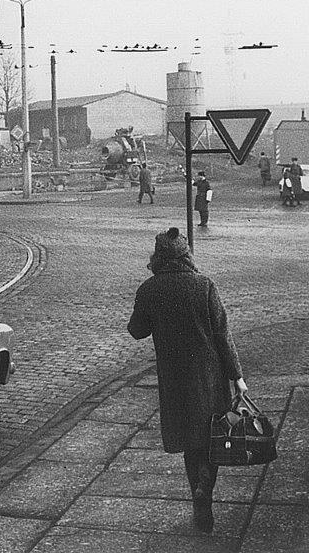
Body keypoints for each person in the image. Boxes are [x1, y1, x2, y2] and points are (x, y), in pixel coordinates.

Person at [126, 227, 248, 533]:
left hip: (175, 378)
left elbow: (136, 330)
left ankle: (197, 491)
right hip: (209, 376)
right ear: (186, 255)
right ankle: (205, 491)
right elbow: (222, 334)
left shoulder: (149, 289)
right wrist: (238, 376)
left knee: (190, 441)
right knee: (212, 438)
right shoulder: (204, 285)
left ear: (157, 257)